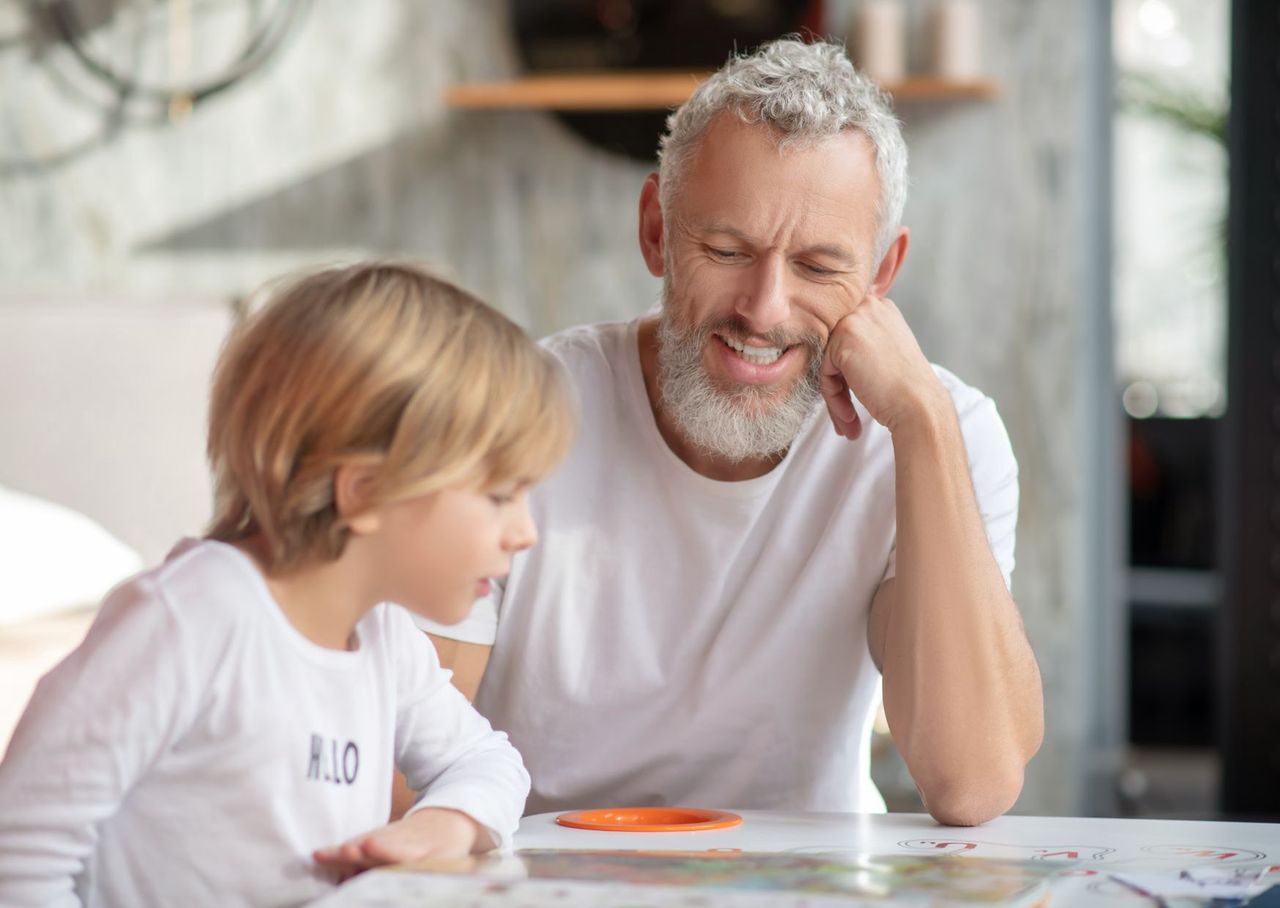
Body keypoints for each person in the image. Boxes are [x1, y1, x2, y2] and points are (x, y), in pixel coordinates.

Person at [418, 39, 1044, 827]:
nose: (764, 308)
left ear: (883, 275)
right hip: (550, 874)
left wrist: (923, 422)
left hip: (810, 887)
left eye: (819, 267)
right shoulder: (513, 414)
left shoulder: (941, 435)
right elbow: (413, 770)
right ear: (656, 230)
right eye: (726, 250)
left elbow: (972, 784)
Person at [0, 262, 576, 906]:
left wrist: (442, 827)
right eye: (501, 495)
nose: (525, 532)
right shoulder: (190, 619)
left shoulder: (382, 636)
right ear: (364, 491)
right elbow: (20, 849)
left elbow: (490, 763)